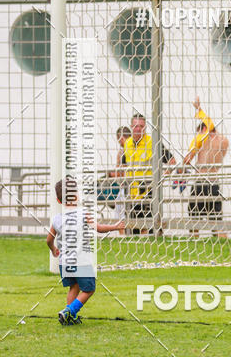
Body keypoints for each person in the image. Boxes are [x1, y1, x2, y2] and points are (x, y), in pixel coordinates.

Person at [47, 177, 124, 325]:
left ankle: (70, 318)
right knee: (89, 290)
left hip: (65, 262)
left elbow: (48, 240)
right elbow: (99, 228)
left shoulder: (57, 219)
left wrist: (53, 249)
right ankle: (69, 311)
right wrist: (115, 227)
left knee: (74, 287)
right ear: (77, 195)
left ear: (58, 200)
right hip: (81, 261)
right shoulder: (83, 214)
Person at [181, 97, 229, 236]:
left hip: (201, 182)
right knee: (216, 218)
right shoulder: (224, 141)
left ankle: (194, 239)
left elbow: (188, 159)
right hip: (214, 181)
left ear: (203, 129)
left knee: (194, 218)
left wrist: (199, 109)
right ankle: (220, 241)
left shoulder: (205, 139)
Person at [121, 113, 173, 234]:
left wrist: (162, 178)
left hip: (148, 192)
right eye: (135, 126)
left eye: (141, 126)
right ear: (131, 127)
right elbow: (123, 165)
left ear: (145, 127)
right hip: (131, 194)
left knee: (149, 229)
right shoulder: (127, 143)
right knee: (133, 230)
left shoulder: (153, 142)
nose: (138, 129)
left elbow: (172, 161)